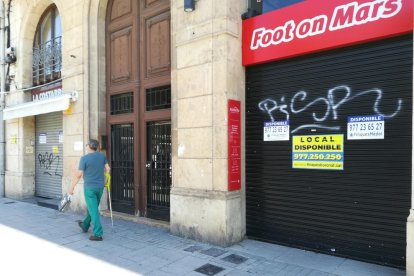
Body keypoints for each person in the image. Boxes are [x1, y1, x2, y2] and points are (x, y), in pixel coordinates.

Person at [68, 139, 110, 241]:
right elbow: (108, 169)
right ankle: (85, 225)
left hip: (89, 188)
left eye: (86, 145)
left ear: (89, 146)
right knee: (93, 208)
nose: (86, 146)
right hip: (100, 187)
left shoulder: (84, 158)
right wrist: (105, 181)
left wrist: (71, 187)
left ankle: (98, 233)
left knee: (94, 210)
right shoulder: (102, 156)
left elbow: (78, 175)